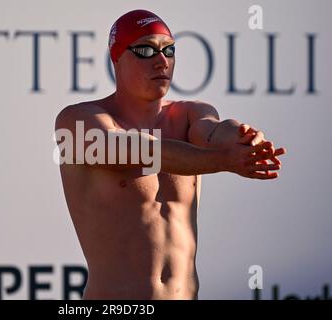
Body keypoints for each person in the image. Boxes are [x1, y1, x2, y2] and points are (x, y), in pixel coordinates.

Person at [54, 9, 286, 299]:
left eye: (169, 50)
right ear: (117, 58)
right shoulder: (79, 120)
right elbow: (142, 151)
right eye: (145, 50)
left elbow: (213, 131)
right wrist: (225, 161)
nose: (161, 61)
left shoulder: (191, 114)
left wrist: (244, 138)